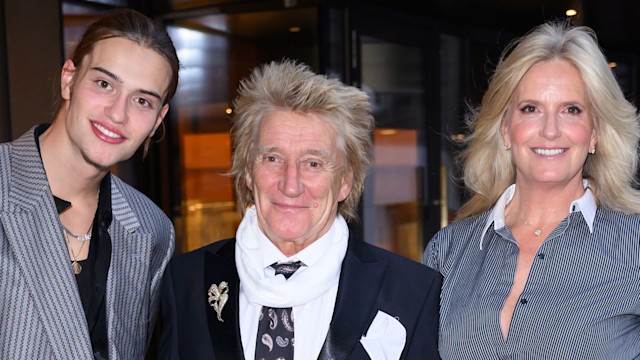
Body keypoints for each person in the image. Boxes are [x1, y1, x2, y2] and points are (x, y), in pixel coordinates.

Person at [159, 59, 442, 359]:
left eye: (313, 163)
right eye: (272, 158)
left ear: (345, 181)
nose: (290, 185)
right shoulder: (186, 281)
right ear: (247, 172)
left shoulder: (411, 291)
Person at [422, 20, 640, 359]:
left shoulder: (634, 246)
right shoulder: (448, 251)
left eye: (571, 110)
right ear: (506, 129)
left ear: (595, 132)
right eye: (530, 109)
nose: (550, 130)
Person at [0, 8, 178, 359]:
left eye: (142, 101)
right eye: (104, 84)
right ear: (69, 79)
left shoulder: (151, 230)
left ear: (158, 120)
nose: (117, 113)